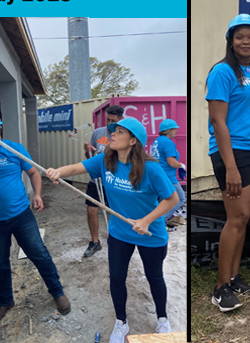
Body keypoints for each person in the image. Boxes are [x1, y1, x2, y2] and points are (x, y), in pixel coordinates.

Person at [46, 118, 178, 341]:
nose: (112, 135)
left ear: (133, 140)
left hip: (150, 234)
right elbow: (78, 167)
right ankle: (121, 322)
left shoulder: (151, 169)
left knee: (154, 277)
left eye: (119, 132)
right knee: (116, 277)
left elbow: (171, 199)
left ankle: (163, 319)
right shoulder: (106, 161)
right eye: (112, 132)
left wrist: (145, 220)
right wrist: (57, 171)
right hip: (120, 232)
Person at [0, 109, 70, 321]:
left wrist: (38, 195)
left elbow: (33, 172)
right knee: (1, 262)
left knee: (39, 253)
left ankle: (57, 292)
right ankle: (6, 301)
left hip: (22, 216)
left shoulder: (15, 150)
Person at [206, 14, 250, 312]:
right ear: (231, 40)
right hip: (234, 153)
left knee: (243, 218)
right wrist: (230, 166)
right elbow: (218, 121)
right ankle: (220, 289)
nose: (246, 41)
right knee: (237, 216)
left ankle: (233, 277)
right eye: (240, 36)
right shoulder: (222, 72)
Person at [82, 105, 124, 257]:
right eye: (108, 119)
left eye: (113, 120)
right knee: (91, 210)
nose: (109, 122)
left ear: (120, 120)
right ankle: (95, 242)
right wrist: (87, 150)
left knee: (116, 212)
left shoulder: (123, 135)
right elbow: (90, 158)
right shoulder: (97, 133)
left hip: (114, 181)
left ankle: (118, 241)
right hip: (96, 180)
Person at [150, 119, 186, 227]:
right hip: (168, 177)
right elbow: (171, 162)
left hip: (158, 175)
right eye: (174, 129)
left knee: (164, 201)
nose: (176, 131)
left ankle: (160, 223)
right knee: (179, 198)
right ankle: (160, 221)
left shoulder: (157, 141)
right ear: (168, 130)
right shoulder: (168, 142)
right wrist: (181, 165)